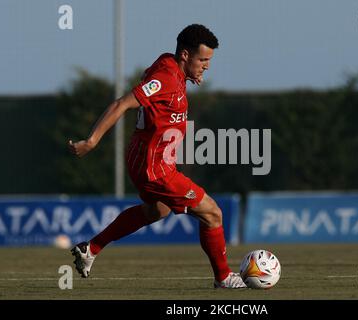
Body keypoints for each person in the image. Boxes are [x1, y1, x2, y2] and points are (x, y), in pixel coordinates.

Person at [68, 24, 246, 289]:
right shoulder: (165, 79)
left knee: (156, 211)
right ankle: (223, 278)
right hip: (156, 168)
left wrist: (184, 78)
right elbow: (122, 103)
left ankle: (91, 249)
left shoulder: (168, 65)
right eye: (203, 60)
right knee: (213, 213)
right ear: (185, 55)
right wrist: (91, 141)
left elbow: (148, 77)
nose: (207, 66)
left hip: (144, 160)